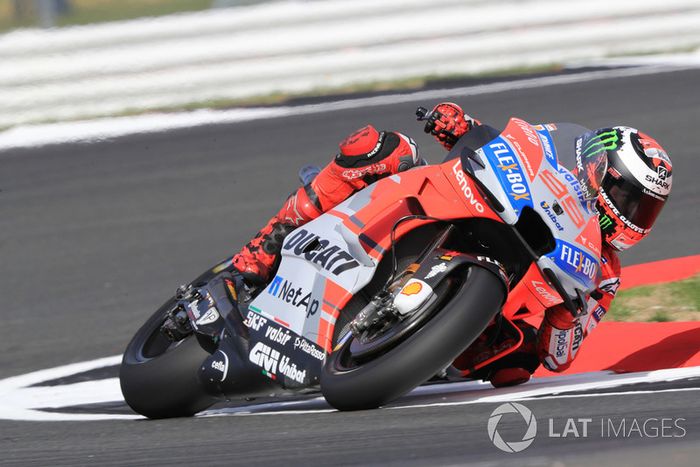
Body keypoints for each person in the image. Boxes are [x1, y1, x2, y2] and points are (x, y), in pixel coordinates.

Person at [231, 103, 674, 387]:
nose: (633, 214)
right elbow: (510, 151)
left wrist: (567, 314)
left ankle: (416, 353)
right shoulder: (556, 163)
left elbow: (559, 357)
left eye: (646, 208)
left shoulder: (607, 273)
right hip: (455, 206)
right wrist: (460, 126)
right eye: (628, 198)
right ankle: (262, 249)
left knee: (515, 366)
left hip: (486, 308)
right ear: (598, 170)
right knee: (382, 149)